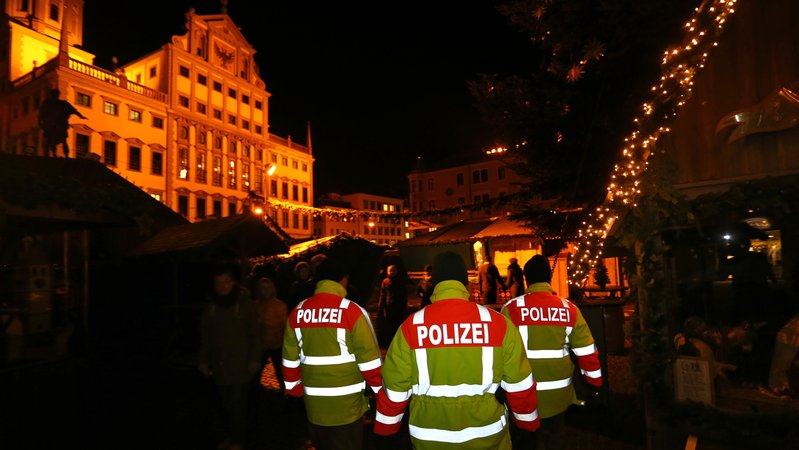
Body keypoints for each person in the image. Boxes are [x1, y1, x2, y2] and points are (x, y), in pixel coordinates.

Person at [374, 251, 539, 449]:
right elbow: (519, 384)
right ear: (465, 283)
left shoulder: (412, 326)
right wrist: (528, 424)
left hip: (429, 437)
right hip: (488, 436)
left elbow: (395, 388)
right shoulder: (498, 324)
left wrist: (386, 431)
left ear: (435, 283)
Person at [501, 254, 602, 450]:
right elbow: (587, 351)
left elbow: (501, 353)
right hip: (559, 396)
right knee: (554, 439)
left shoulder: (511, 309)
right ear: (549, 278)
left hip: (524, 397)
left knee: (527, 442)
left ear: (526, 279)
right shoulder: (569, 309)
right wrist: (595, 383)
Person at [281, 255, 383, 450]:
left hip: (314, 406)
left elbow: (289, 359)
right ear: (343, 279)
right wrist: (382, 394)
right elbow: (369, 361)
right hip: (347, 408)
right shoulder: (352, 312)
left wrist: (294, 391)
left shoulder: (298, 311)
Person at [198, 266, 262, 450]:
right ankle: (234, 434)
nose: (223, 286)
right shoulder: (211, 307)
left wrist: (254, 359)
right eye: (219, 283)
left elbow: (255, 334)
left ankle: (239, 440)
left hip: (240, 365)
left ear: (233, 283)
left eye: (226, 282)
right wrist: (203, 360)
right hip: (219, 366)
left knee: (238, 404)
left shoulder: (244, 304)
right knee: (226, 405)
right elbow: (206, 336)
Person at [253, 277, 288, 393]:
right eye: (263, 288)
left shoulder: (280, 306)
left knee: (281, 373)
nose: (265, 291)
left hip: (276, 345)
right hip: (261, 345)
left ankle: (287, 396)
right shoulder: (255, 306)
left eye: (268, 288)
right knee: (255, 374)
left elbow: (284, 327)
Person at [38, 88, 87, 157]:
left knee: (57, 140)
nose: (55, 96)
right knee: (58, 140)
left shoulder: (51, 103)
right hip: (55, 125)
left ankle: (60, 155)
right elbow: (41, 113)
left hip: (55, 125)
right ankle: (61, 155)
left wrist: (81, 116)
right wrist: (80, 116)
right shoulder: (53, 103)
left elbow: (41, 113)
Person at [377, 264, 408, 346]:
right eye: (390, 270)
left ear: (396, 271)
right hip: (389, 307)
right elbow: (382, 294)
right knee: (390, 324)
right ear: (387, 272)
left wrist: (404, 305)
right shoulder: (385, 281)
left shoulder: (400, 281)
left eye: (393, 270)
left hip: (398, 306)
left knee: (397, 324)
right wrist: (381, 305)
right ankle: (393, 342)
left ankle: (398, 341)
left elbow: (404, 294)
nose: (392, 272)